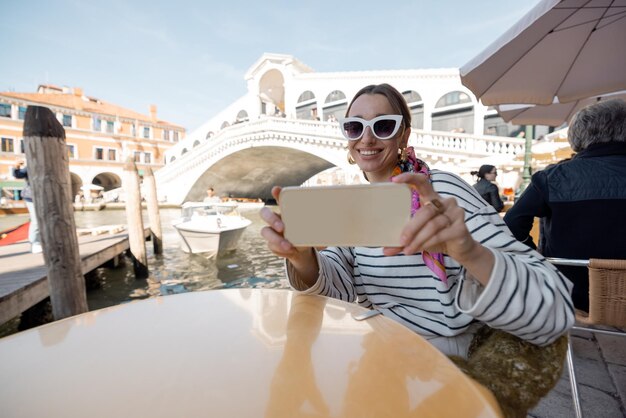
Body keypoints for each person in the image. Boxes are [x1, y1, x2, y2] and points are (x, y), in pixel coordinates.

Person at [259, 84, 574, 415]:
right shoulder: (352, 203)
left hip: (441, 359)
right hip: (377, 350)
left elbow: (553, 306)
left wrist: (466, 249)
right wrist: (300, 256)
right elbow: (337, 287)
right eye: (354, 126)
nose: (366, 139)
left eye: (383, 126)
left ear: (403, 136)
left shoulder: (440, 189)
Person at [504, 99, 626, 312]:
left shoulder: (555, 177)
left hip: (570, 295)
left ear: (578, 134)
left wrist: (537, 260)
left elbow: (512, 224)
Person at [13, 160, 42, 253]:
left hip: (43, 197)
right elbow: (18, 175)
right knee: (36, 221)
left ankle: (41, 242)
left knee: (44, 220)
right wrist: (16, 166)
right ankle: (34, 243)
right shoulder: (31, 165)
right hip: (31, 197)